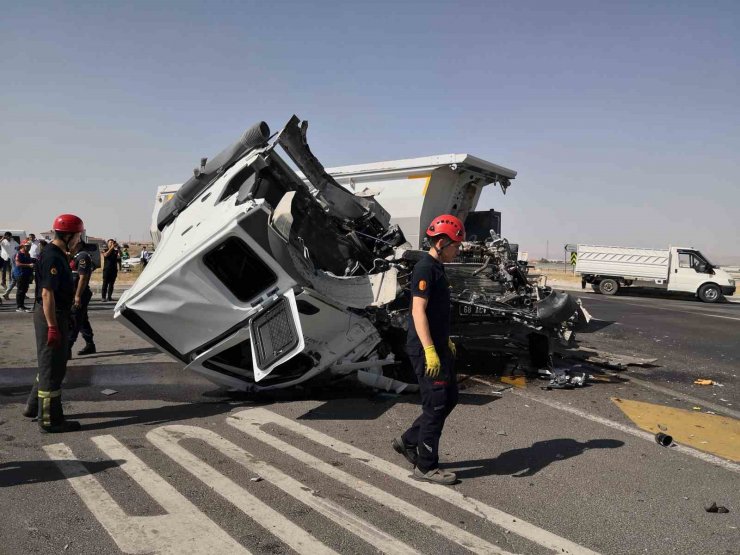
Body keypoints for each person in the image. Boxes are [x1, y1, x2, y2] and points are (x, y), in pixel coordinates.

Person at [392, 214, 465, 485]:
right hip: (426, 349)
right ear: (442, 242)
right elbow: (418, 311)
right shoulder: (425, 268)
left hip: (438, 344)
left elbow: (436, 312)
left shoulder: (438, 268)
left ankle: (408, 440)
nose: (457, 250)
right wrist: (430, 350)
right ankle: (426, 467)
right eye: (455, 245)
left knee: (450, 398)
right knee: (435, 406)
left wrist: (444, 340)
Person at [23, 214, 84, 433]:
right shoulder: (53, 257)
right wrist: (52, 326)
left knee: (47, 364)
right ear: (68, 235)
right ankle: (50, 420)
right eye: (78, 235)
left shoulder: (57, 253)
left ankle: (32, 407)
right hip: (51, 314)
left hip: (55, 313)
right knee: (53, 369)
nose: (79, 239)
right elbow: (47, 294)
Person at [69, 236, 96, 356]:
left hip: (80, 293)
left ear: (78, 244)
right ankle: (90, 344)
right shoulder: (76, 256)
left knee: (74, 319)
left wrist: (77, 296)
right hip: (75, 292)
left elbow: (83, 278)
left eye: (72, 243)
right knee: (82, 319)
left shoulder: (83, 256)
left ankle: (67, 348)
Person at [12, 243, 34, 312]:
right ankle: (19, 306)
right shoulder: (19, 254)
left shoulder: (28, 254)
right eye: (27, 246)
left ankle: (22, 305)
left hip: (26, 274)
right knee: (20, 290)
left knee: (24, 290)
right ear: (23, 246)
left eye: (30, 246)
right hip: (20, 274)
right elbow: (18, 264)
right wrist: (28, 265)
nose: (29, 247)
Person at [1, 232, 20, 300]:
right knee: (3, 270)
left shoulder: (13, 241)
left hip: (11, 258)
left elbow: (18, 246)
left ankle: (9, 282)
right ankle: (3, 282)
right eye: (7, 236)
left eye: (9, 236)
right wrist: (2, 238)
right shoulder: (3, 241)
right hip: (4, 257)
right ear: (5, 236)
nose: (8, 238)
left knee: (11, 272)